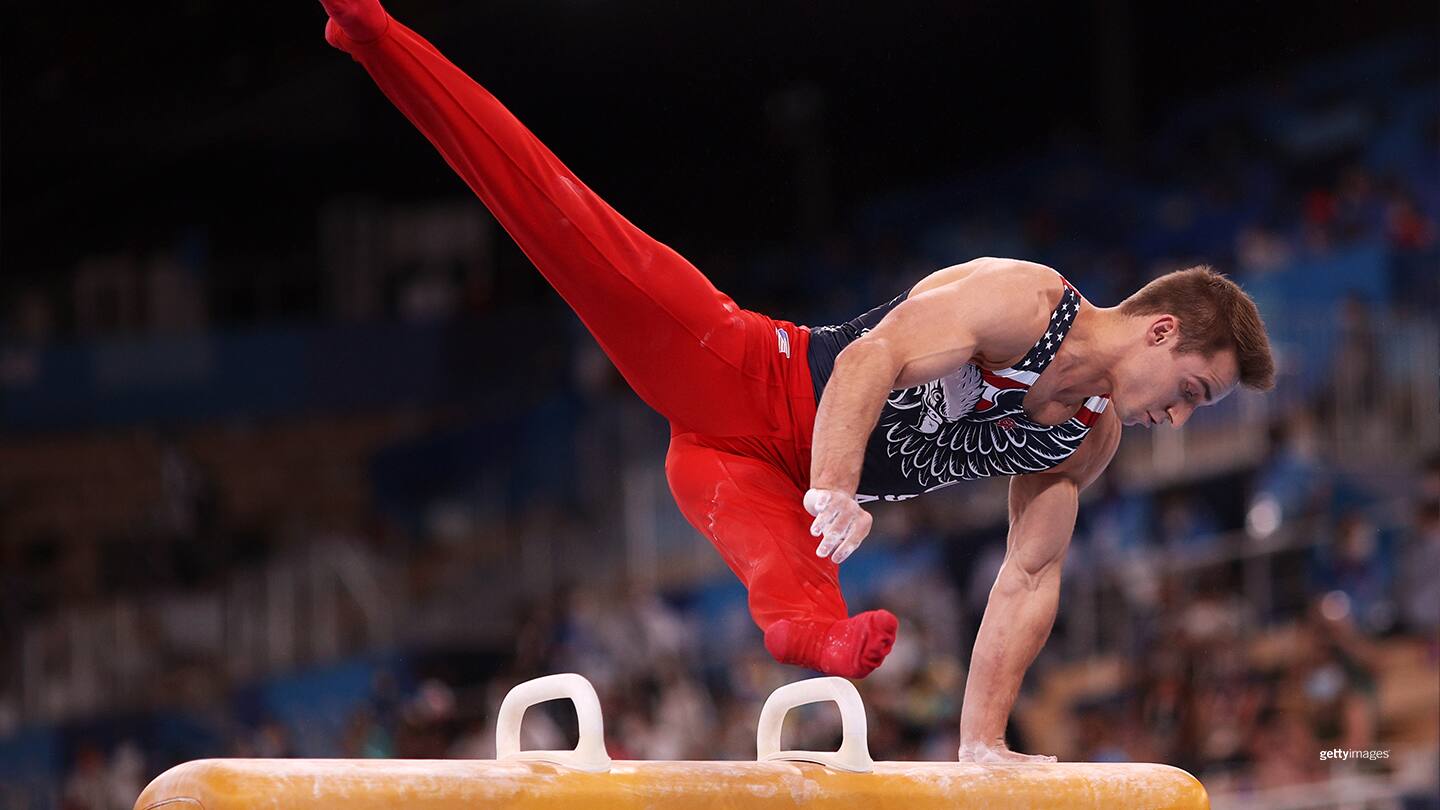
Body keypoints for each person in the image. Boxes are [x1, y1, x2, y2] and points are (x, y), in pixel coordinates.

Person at [315, 0, 1276, 762]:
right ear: (1161, 330)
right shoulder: (1027, 302)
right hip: (733, 378)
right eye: (1193, 390)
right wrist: (836, 483)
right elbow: (870, 359)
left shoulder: (1088, 435)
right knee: (561, 217)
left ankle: (813, 641)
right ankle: (374, 30)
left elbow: (1029, 577)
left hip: (752, 481)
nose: (1181, 419)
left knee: (803, 600)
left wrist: (981, 743)